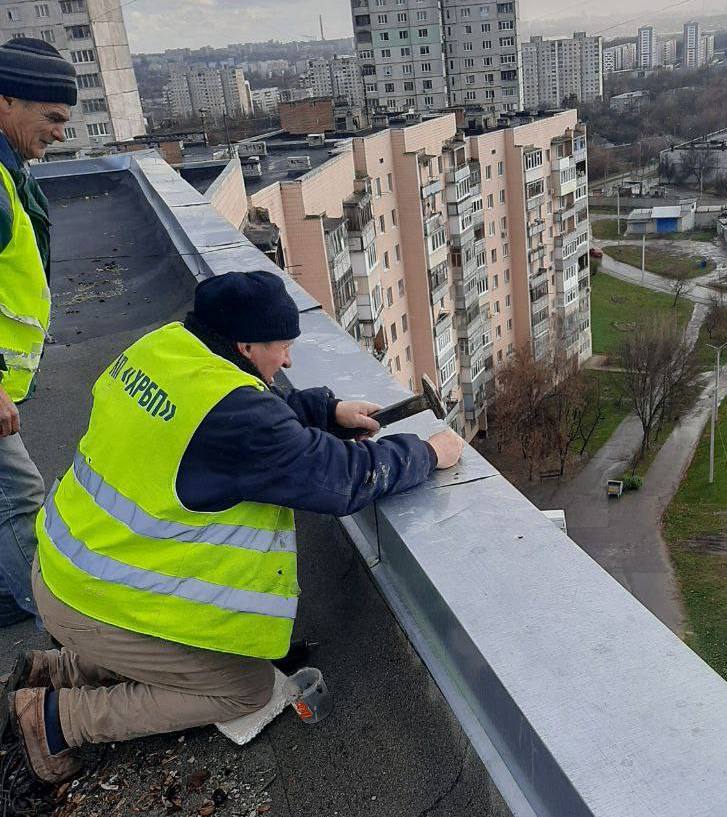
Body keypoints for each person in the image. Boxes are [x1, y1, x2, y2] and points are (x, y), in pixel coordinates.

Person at [1, 270, 464, 784]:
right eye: (282, 348)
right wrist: (425, 452)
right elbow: (343, 480)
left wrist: (326, 412)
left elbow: (230, 425)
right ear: (245, 345)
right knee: (244, 689)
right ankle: (57, 721)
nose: (287, 361)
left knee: (184, 651)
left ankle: (61, 670)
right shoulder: (237, 416)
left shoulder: (167, 347)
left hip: (68, 571)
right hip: (96, 600)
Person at [0, 38, 76, 627]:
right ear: (5, 102)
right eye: (51, 117)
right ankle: (55, 617)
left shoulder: (9, 169)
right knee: (20, 499)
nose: (59, 132)